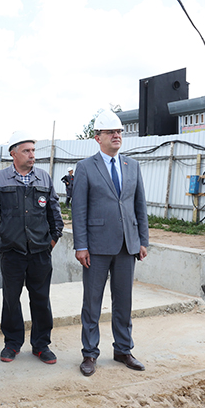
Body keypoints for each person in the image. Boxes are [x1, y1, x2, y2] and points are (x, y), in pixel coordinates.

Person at [72, 110, 149, 377]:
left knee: (124, 302)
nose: (117, 136)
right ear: (98, 137)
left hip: (127, 245)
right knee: (92, 302)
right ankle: (90, 353)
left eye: (119, 132)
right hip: (96, 247)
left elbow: (140, 206)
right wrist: (80, 246)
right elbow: (79, 210)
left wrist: (142, 241)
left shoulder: (132, 166)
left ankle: (123, 349)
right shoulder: (85, 168)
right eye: (111, 132)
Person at [0, 131, 64, 365]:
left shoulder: (44, 178)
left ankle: (41, 345)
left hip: (40, 251)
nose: (32, 155)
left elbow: (54, 211)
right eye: (27, 151)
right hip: (12, 252)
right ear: (13, 153)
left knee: (41, 299)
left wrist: (53, 238)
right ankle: (12, 343)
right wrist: (1, 230)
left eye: (33, 151)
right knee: (11, 298)